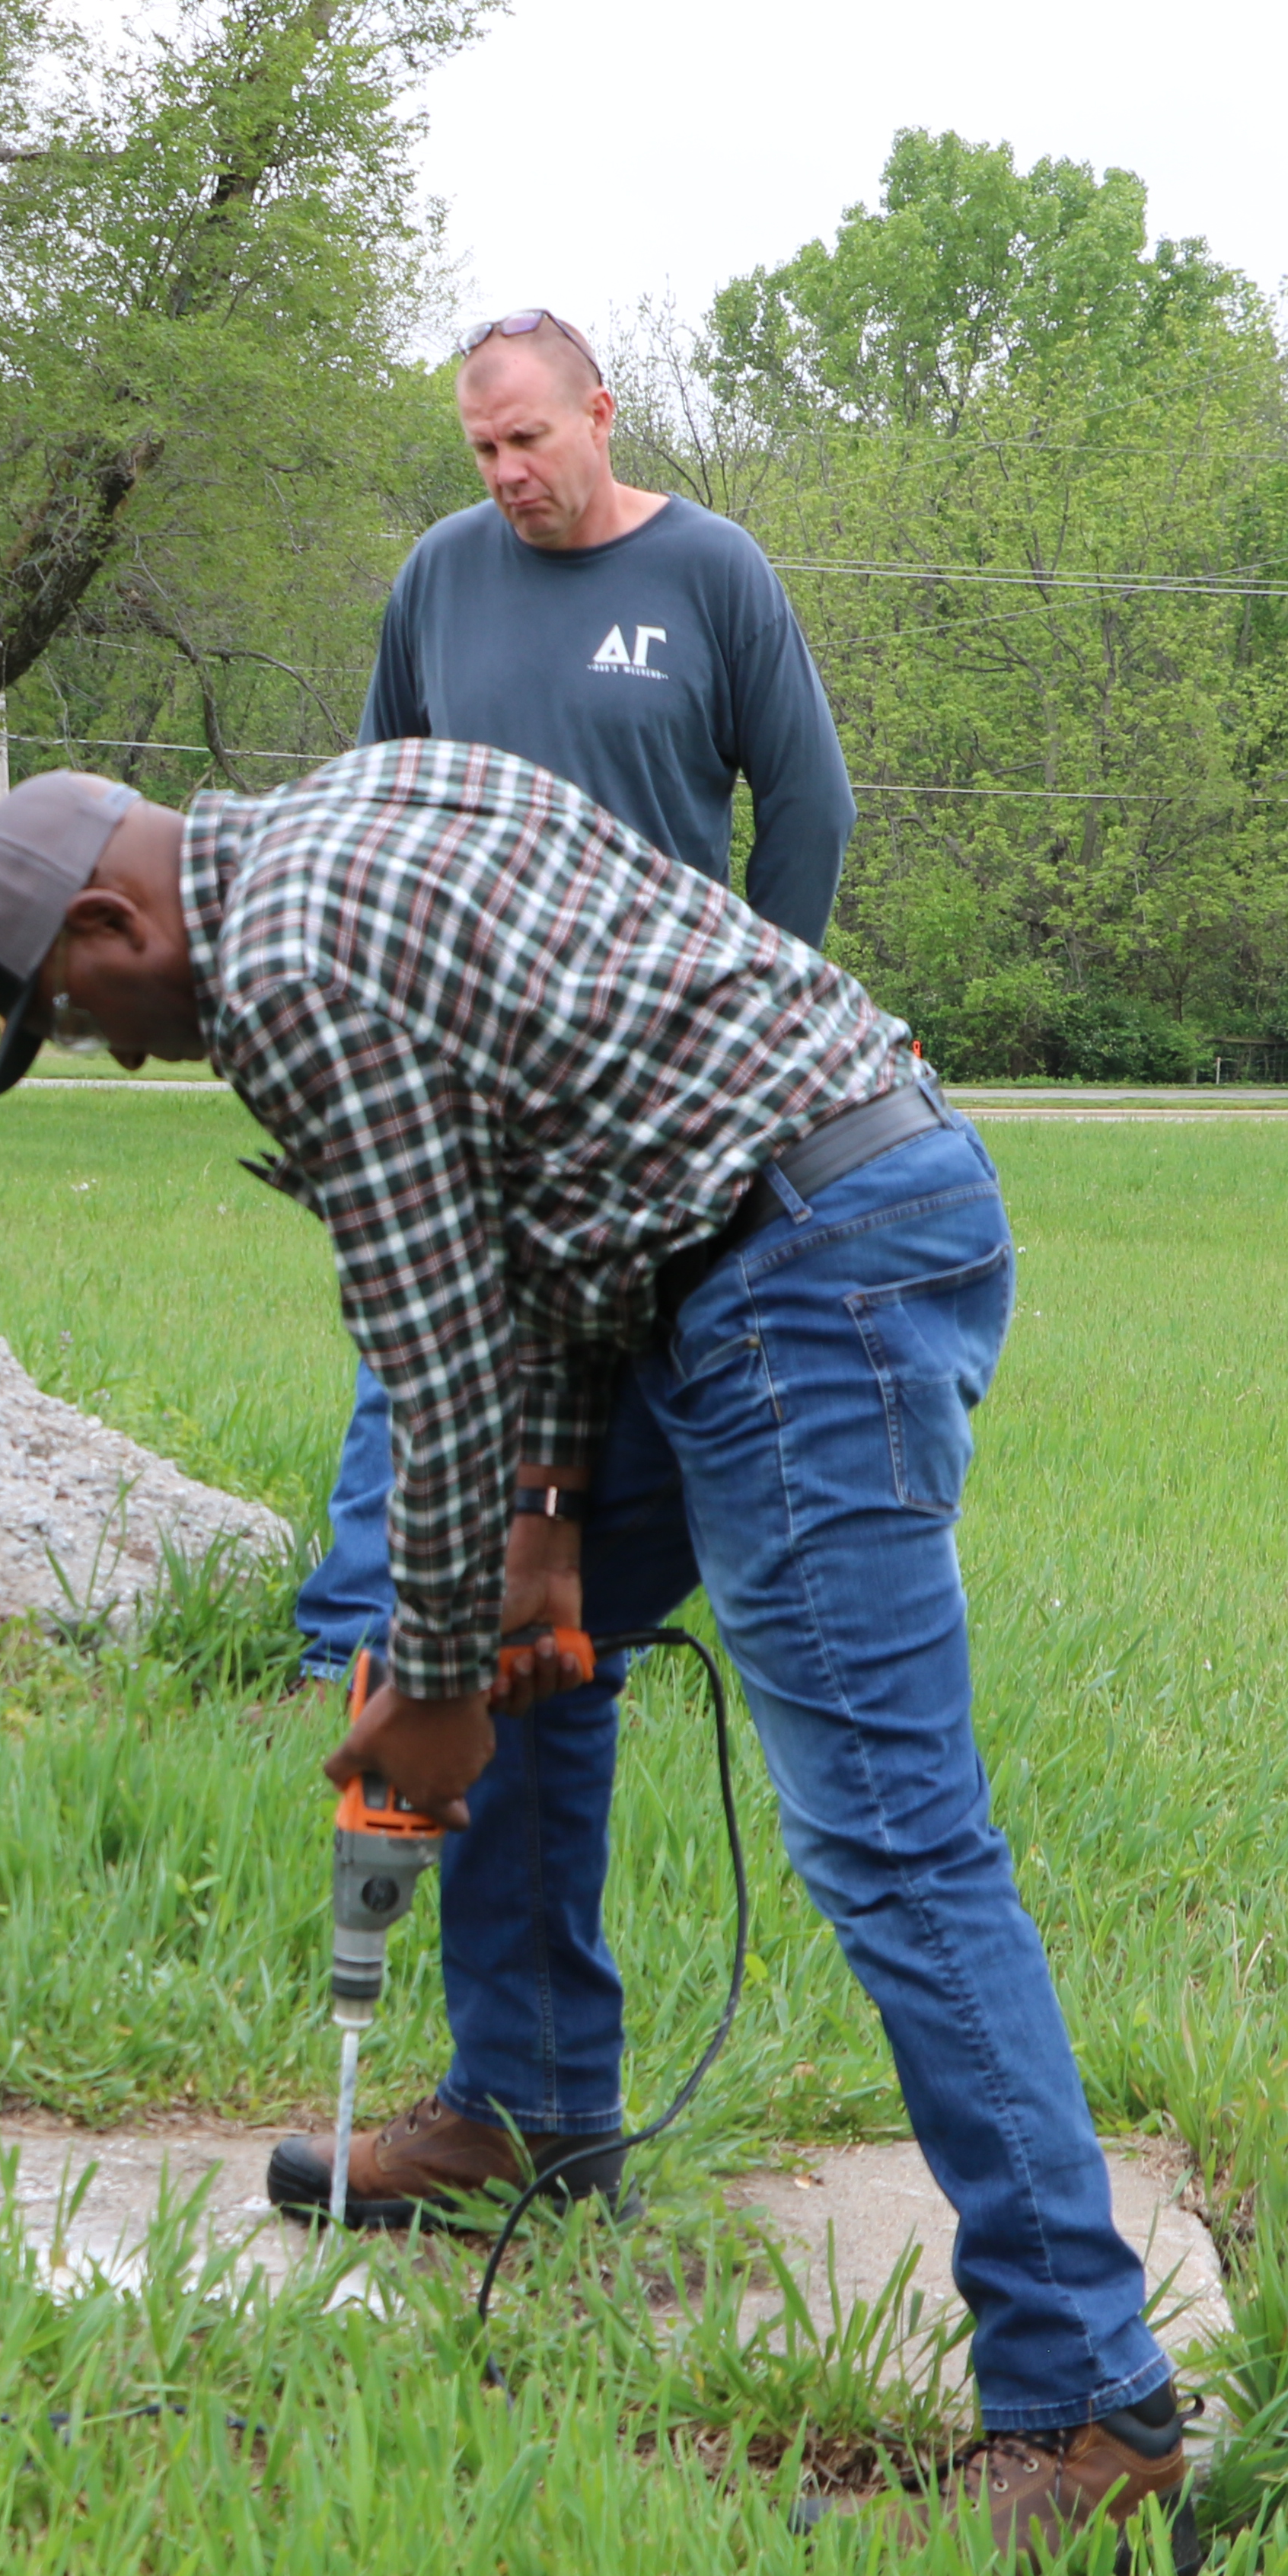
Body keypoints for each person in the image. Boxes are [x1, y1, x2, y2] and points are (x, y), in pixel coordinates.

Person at [0, 759, 1194, 2560]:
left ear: (111, 926)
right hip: (768, 1223)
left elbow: (433, 1369)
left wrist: (428, 1683)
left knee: (889, 1828)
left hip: (806, 1268)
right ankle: (524, 2108)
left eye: (80, 1015)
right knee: (533, 1647)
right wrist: (540, 1528)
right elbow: (576, 1183)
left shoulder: (284, 973)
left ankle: (1092, 2412)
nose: (120, 1052)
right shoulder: (365, 802)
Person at [296, 309, 855, 1679]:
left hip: (659, 1063)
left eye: (528, 439)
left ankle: (600, 1630)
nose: (505, 472)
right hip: (466, 1049)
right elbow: (380, 798)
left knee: (659, 1361)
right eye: (483, 448)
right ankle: (347, 1651)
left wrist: (753, 1029)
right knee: (415, 1350)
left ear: (600, 415)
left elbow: (810, 808)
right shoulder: (440, 575)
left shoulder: (711, 572)